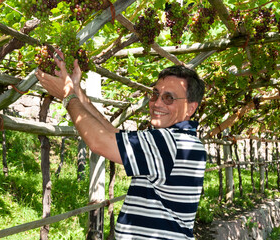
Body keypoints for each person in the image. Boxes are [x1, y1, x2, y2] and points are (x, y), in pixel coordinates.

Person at [36, 50, 206, 240]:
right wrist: (76, 90)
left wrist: (67, 95)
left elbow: (99, 142)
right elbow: (112, 133)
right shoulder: (183, 141)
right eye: (155, 94)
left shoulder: (170, 143)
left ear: (191, 108)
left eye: (169, 98)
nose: (157, 103)